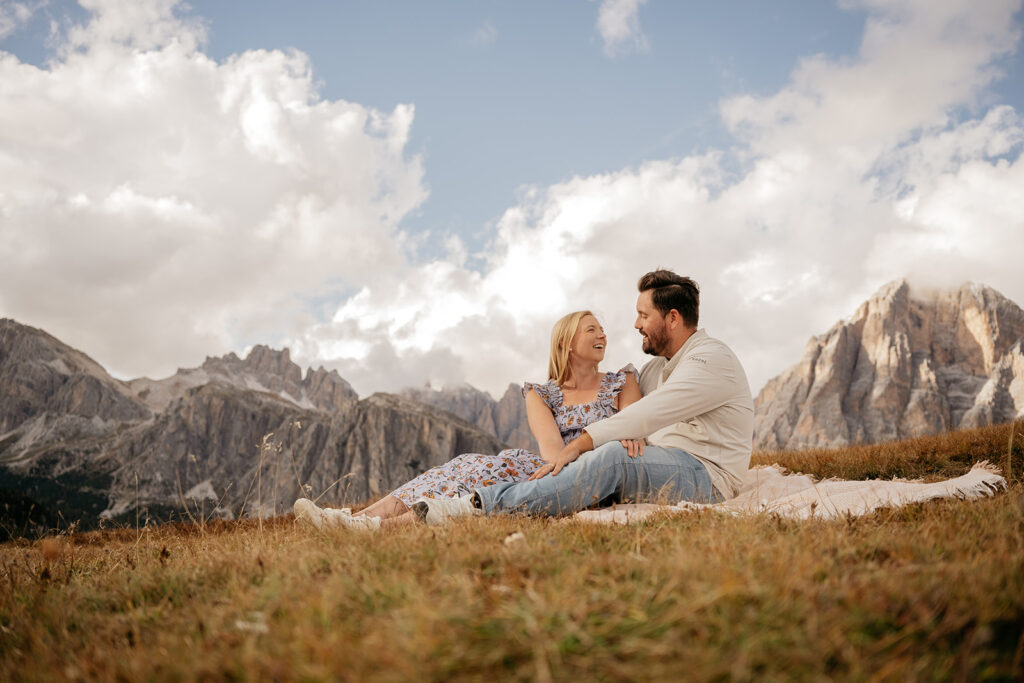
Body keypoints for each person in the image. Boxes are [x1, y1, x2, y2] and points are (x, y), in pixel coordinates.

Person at [415, 269, 754, 523]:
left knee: (613, 459)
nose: (636, 324)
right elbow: (630, 416)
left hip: (708, 476)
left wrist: (578, 445)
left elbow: (649, 413)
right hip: (670, 463)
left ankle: (475, 507)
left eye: (644, 315)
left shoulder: (710, 359)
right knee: (608, 458)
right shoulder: (655, 369)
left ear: (673, 318)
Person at [293, 310, 642, 531]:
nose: (603, 336)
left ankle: (374, 528)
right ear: (567, 344)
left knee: (477, 478)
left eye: (602, 330)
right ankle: (355, 519)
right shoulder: (540, 393)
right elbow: (552, 452)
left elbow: (635, 427)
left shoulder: (622, 381)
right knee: (463, 466)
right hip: (549, 467)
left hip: (588, 471)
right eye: (591, 330)